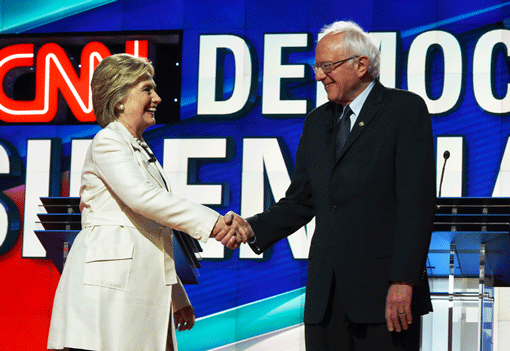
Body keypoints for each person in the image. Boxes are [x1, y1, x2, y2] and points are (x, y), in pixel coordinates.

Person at [223, 21, 436, 350]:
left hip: (384, 296)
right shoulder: (317, 121)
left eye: (327, 66)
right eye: (317, 66)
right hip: (326, 297)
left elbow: (415, 206)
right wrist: (251, 228)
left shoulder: (404, 111)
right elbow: (301, 201)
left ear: (361, 65)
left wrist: (403, 280)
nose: (319, 76)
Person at [47, 54, 237, 351]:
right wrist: (211, 223)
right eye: (147, 89)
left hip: (134, 294)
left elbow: (152, 232)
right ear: (119, 98)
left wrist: (177, 298)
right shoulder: (108, 141)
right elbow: (142, 199)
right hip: (107, 298)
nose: (157, 98)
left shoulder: (139, 148)